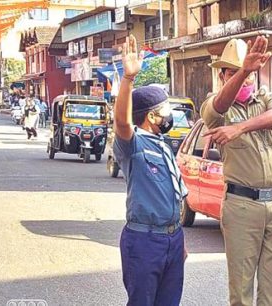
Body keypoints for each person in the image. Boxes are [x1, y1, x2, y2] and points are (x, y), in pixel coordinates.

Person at [201, 36, 272, 306]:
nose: (247, 79)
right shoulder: (215, 105)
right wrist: (244, 71)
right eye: (234, 71)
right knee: (241, 290)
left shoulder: (265, 97)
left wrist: (239, 128)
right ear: (223, 76)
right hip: (242, 205)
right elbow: (217, 108)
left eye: (252, 73)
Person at [112, 35, 187, 306]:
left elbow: (176, 197)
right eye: (165, 110)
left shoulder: (164, 146)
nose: (170, 115)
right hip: (144, 242)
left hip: (172, 239)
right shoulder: (133, 144)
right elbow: (121, 122)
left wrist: (179, 238)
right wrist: (128, 79)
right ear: (152, 116)